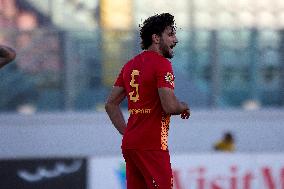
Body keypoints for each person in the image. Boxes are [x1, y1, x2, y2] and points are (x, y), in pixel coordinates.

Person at [105, 13, 190, 189]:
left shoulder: (130, 65)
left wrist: (128, 132)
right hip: (152, 145)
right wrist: (183, 107)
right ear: (156, 38)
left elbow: (110, 104)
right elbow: (169, 106)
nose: (175, 39)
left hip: (131, 144)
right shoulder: (162, 64)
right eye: (170, 35)